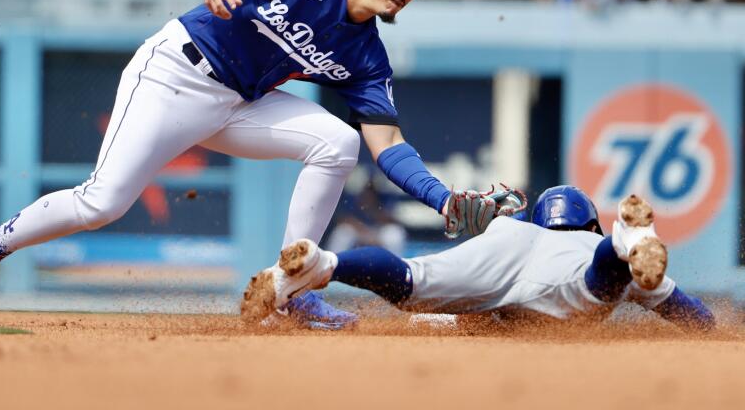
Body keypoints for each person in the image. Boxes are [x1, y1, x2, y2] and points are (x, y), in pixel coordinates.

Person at [0, 0, 483, 331]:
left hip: (238, 103)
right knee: (102, 205)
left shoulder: (367, 55)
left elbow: (386, 143)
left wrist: (443, 199)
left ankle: (291, 288)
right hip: (174, 74)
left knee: (339, 141)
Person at [241, 186, 715, 332]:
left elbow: (451, 319)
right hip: (581, 265)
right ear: (589, 224)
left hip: (500, 242)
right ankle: (624, 243)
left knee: (411, 279)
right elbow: (695, 317)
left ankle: (326, 264)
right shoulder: (583, 243)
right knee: (596, 286)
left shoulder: (516, 227)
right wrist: (711, 330)